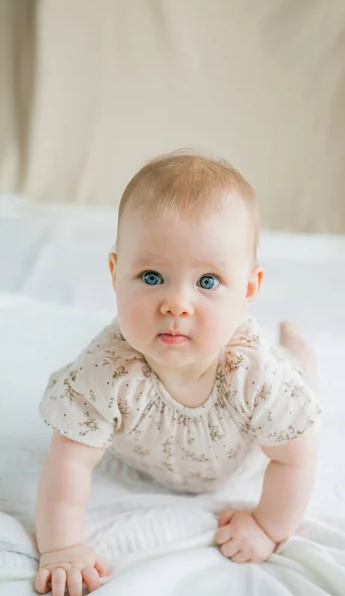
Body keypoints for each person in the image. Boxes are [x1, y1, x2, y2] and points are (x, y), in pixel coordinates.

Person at [34, 152, 321, 596]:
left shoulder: (255, 373)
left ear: (247, 291)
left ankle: (299, 349)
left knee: (298, 374)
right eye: (151, 276)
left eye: (207, 282)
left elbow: (296, 456)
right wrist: (61, 547)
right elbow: (68, 460)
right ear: (115, 274)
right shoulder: (108, 369)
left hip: (240, 456)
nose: (175, 304)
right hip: (155, 460)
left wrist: (268, 526)